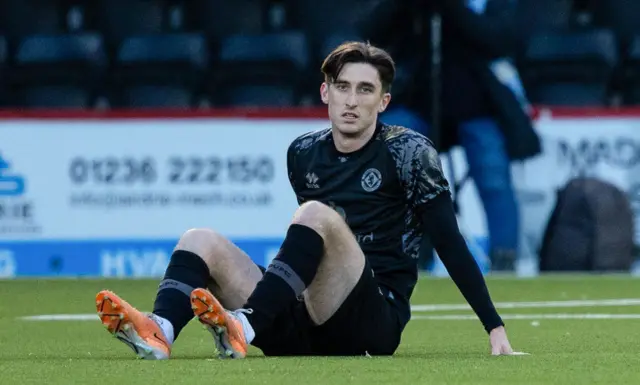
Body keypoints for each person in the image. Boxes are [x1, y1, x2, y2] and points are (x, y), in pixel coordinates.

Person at [95, 41, 515, 359]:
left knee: (315, 214)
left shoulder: (410, 152)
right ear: (325, 92)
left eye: (365, 90)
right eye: (343, 87)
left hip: (371, 322)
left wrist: (493, 326)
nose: (352, 100)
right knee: (199, 239)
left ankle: (244, 324)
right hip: (304, 319)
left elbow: (449, 242)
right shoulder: (303, 152)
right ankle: (160, 331)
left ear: (383, 102)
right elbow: (308, 257)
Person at [360, 0, 541, 271]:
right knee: (391, 154)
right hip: (417, 97)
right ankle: (406, 252)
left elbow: (501, 40)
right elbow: (371, 34)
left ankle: (505, 258)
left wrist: (452, 8)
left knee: (492, 176)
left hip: (479, 101)